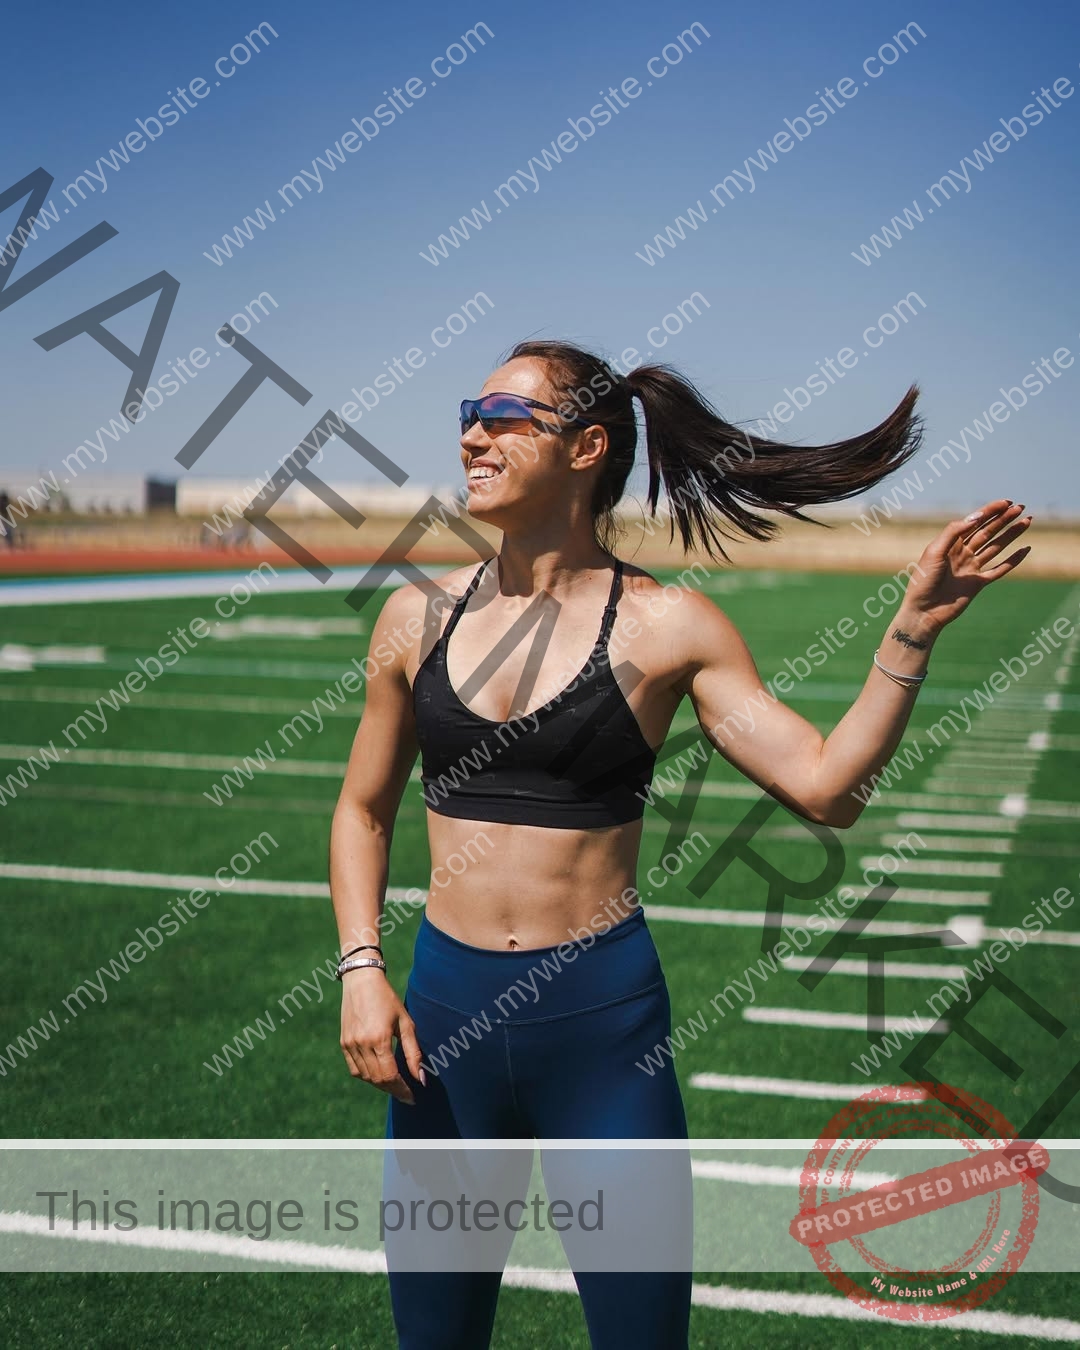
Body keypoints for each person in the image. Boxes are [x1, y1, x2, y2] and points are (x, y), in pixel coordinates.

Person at [328, 339, 1031, 1348]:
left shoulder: (668, 626)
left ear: (586, 448)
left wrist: (911, 632)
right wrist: (361, 968)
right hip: (445, 1029)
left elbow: (827, 789)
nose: (473, 436)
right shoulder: (414, 617)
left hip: (602, 1030)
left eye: (505, 416)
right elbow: (362, 811)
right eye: (468, 415)